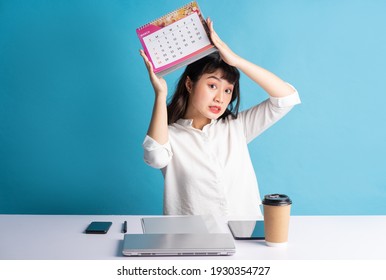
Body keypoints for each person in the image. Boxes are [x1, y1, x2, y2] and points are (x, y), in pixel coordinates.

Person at [140, 18, 301, 220]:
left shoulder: (236, 127)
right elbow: (155, 157)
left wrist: (235, 60)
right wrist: (160, 94)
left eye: (227, 90)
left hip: (245, 238)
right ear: (189, 85)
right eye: (212, 86)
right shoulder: (170, 135)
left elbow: (286, 98)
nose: (220, 98)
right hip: (191, 241)